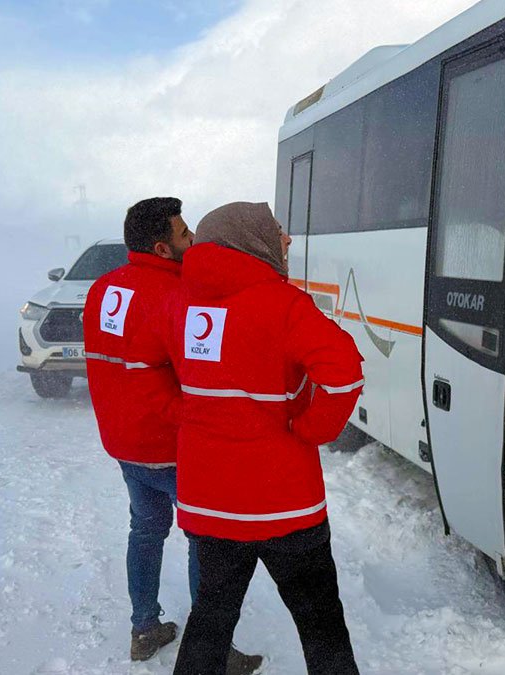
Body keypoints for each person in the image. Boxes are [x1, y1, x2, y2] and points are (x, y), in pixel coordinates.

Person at [172, 202, 364, 675]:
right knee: (321, 623)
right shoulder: (283, 304)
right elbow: (343, 375)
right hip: (285, 504)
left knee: (210, 621)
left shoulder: (179, 302)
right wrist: (312, 429)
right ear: (251, 241)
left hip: (211, 502)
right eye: (277, 231)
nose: (287, 239)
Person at [83, 197, 263, 674]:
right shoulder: (178, 295)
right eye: (185, 236)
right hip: (174, 446)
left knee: (145, 529)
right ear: (162, 248)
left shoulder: (103, 289)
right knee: (206, 540)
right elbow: (201, 372)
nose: (194, 241)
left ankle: (145, 628)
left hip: (125, 444)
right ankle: (212, 648)